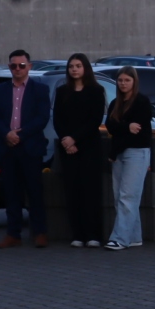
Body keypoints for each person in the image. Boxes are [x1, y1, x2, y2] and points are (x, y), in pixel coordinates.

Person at [0, 50, 52, 250]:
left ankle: (39, 232)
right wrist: (7, 134)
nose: (17, 69)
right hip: (7, 148)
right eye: (13, 65)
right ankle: (13, 234)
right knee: (11, 193)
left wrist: (20, 135)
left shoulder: (40, 90)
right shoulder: (0, 90)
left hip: (30, 148)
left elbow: (42, 118)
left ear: (29, 67)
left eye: (21, 65)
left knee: (35, 192)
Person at [53, 54, 107, 248]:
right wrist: (66, 141)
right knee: (72, 191)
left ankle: (93, 235)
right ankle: (77, 234)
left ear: (85, 68)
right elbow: (57, 119)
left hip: (89, 147)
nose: (74, 69)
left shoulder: (96, 91)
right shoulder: (62, 91)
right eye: (71, 66)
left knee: (90, 191)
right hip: (68, 149)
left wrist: (75, 138)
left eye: (78, 66)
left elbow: (95, 120)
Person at [105, 66, 154, 251]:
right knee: (120, 196)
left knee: (128, 196)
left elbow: (138, 132)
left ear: (134, 81)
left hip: (137, 153)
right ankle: (133, 236)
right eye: (120, 80)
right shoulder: (115, 104)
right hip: (119, 154)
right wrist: (126, 126)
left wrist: (121, 129)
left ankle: (119, 238)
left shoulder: (142, 102)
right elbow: (111, 126)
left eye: (127, 80)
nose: (123, 83)